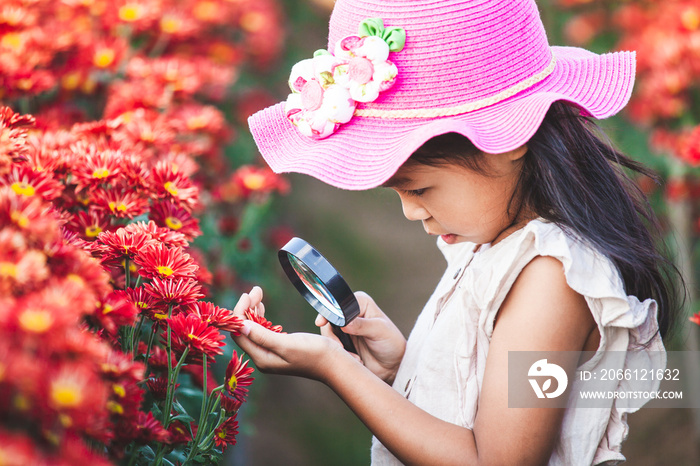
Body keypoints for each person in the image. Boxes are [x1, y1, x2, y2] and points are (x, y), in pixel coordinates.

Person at [232, 0, 683, 464]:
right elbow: (474, 406)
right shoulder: (494, 241)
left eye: (421, 187)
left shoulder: (552, 279)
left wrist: (334, 369)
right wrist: (399, 368)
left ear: (510, 139)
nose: (409, 211)